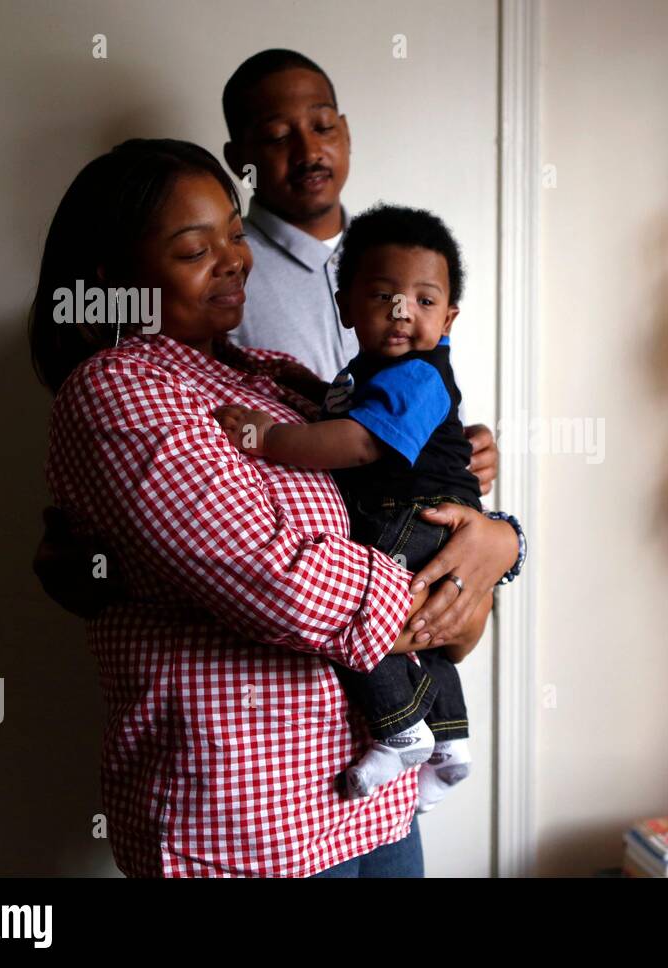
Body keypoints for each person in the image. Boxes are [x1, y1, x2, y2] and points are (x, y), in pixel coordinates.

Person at [29, 139, 522, 877]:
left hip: (369, 800)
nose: (234, 260)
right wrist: (456, 594)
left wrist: (499, 543)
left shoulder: (277, 379)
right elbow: (281, 579)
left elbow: (400, 499)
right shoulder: (118, 391)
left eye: (234, 232)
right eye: (197, 249)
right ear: (114, 279)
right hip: (250, 823)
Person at [215, 204, 501, 812]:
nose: (403, 313)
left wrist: (267, 439)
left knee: (358, 612)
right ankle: (449, 742)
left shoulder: (417, 377)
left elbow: (360, 443)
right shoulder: (363, 373)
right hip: (419, 514)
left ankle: (400, 731)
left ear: (449, 318)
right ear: (345, 306)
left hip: (416, 514)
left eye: (424, 302)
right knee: (417, 627)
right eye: (383, 297)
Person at [218, 48, 498, 491]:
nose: (309, 152)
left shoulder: (413, 261)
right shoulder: (226, 273)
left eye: (324, 127)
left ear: (345, 132)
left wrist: (469, 450)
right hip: (304, 537)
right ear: (238, 160)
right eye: (276, 136)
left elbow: (416, 408)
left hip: (413, 525)